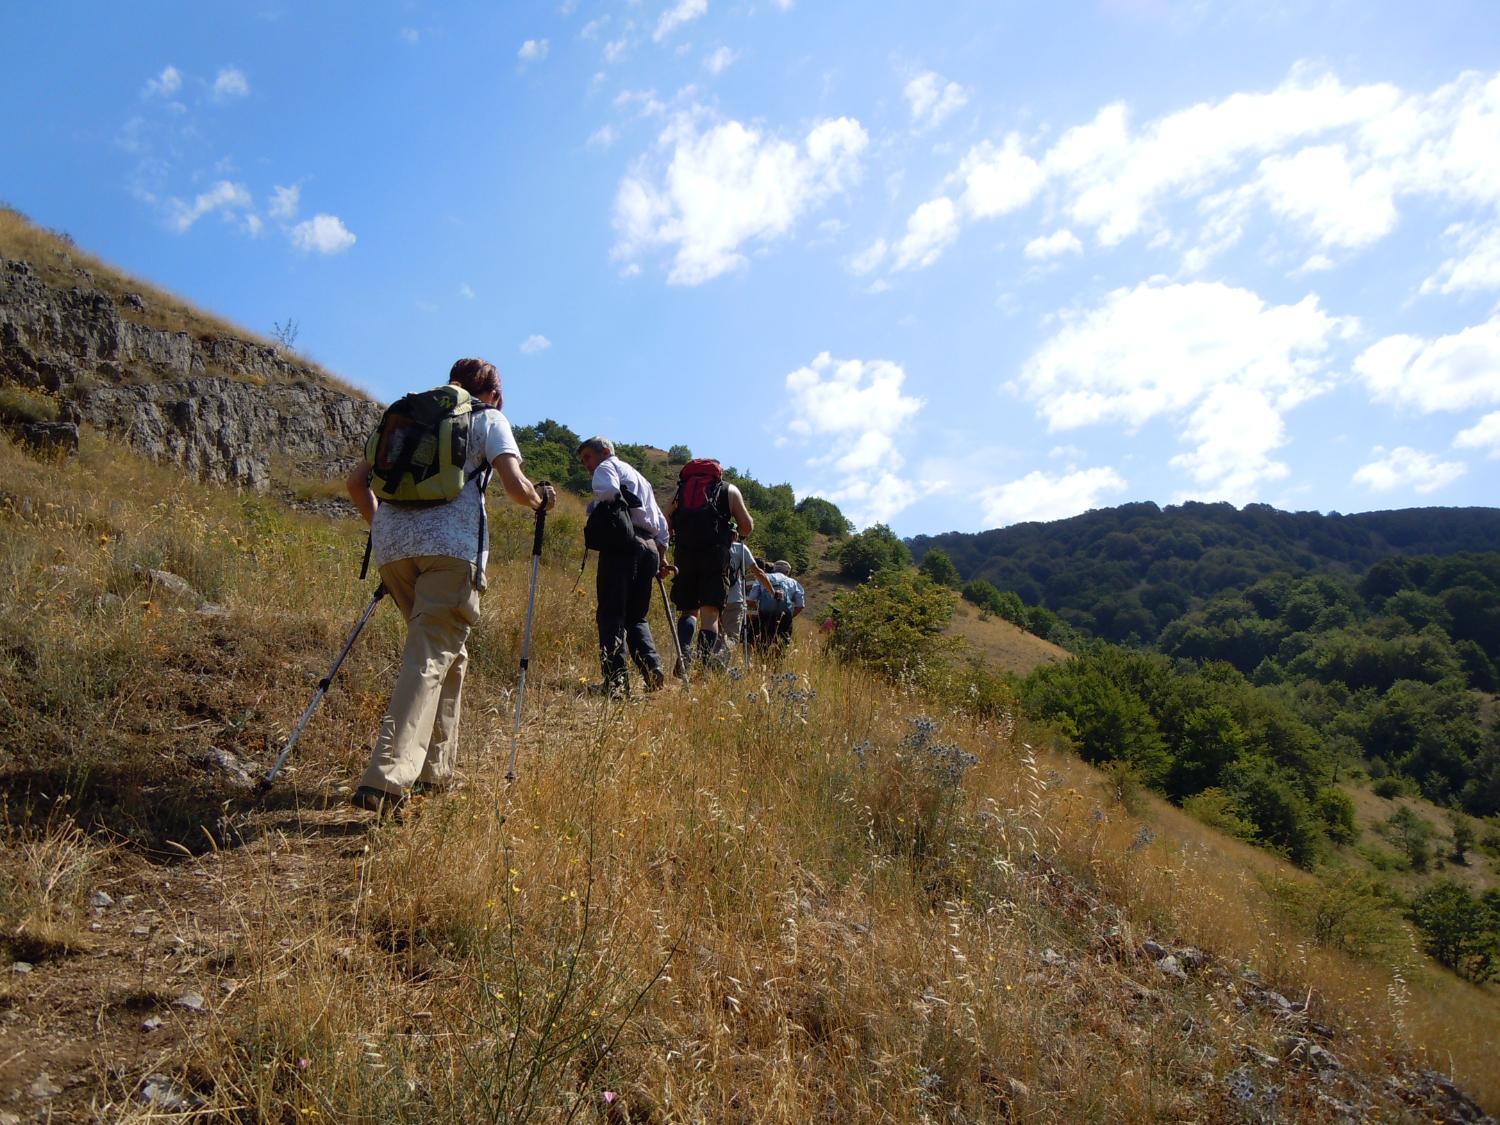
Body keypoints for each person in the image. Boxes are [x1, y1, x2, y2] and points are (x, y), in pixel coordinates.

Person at [345, 357, 554, 815]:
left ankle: (436, 770)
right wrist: (540, 501)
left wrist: (384, 528)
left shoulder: (408, 416)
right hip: (452, 553)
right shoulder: (488, 417)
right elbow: (515, 485)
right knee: (429, 656)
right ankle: (386, 778)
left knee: (449, 656)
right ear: (494, 393)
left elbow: (357, 482)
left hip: (394, 552)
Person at [577, 436, 670, 696]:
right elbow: (662, 527)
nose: (587, 464)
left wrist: (595, 506)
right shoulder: (642, 479)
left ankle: (616, 683)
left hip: (623, 544)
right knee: (636, 616)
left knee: (611, 614)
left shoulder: (607, 467)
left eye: (587, 457)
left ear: (604, 451)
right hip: (649, 548)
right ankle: (652, 669)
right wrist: (662, 556)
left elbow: (606, 491)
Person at [663, 460, 754, 673]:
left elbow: (665, 519)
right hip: (715, 558)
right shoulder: (729, 490)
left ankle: (684, 654)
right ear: (717, 474)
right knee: (710, 614)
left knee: (688, 612)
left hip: (685, 556)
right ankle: (703, 664)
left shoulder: (680, 490)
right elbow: (747, 527)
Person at [716, 530, 776, 665]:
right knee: (732, 636)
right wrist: (772, 592)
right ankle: (720, 659)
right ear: (735, 535)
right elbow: (758, 572)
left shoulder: (711, 545)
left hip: (713, 598)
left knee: (717, 635)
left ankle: (712, 663)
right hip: (735, 599)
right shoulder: (740, 548)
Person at [771, 560, 806, 646]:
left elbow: (752, 599)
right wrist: (790, 616)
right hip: (784, 617)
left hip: (764, 614)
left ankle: (761, 658)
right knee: (782, 643)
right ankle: (778, 658)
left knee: (763, 642)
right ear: (787, 572)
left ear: (774, 569)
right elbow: (800, 606)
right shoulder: (793, 583)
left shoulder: (764, 578)